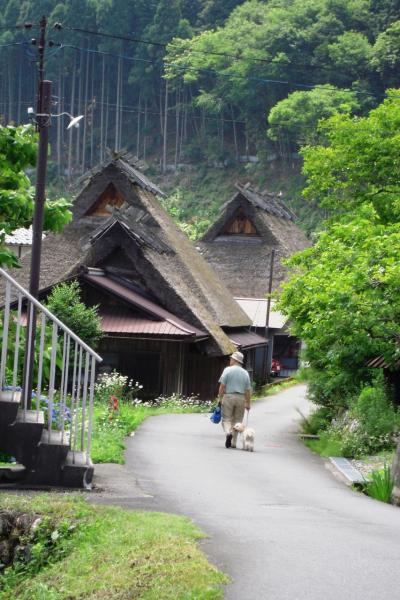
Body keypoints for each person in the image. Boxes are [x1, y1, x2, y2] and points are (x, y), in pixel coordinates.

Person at [218, 351, 251, 448]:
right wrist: (248, 403)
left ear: (235, 360)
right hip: (241, 398)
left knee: (226, 419)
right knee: (237, 421)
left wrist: (220, 398)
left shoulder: (227, 370)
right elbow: (248, 390)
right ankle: (234, 443)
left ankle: (228, 433)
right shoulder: (245, 373)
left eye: (231, 359)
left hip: (228, 397)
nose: (230, 360)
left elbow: (222, 386)